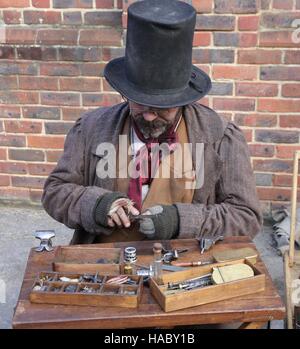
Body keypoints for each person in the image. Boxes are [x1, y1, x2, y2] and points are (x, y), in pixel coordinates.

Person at [42, 0, 262, 245]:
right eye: (138, 102)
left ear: (182, 99)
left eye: (161, 107)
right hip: (103, 259)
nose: (148, 115)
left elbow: (246, 217)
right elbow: (55, 192)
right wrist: (97, 205)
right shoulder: (91, 127)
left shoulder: (220, 136)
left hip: (184, 266)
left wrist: (180, 221)